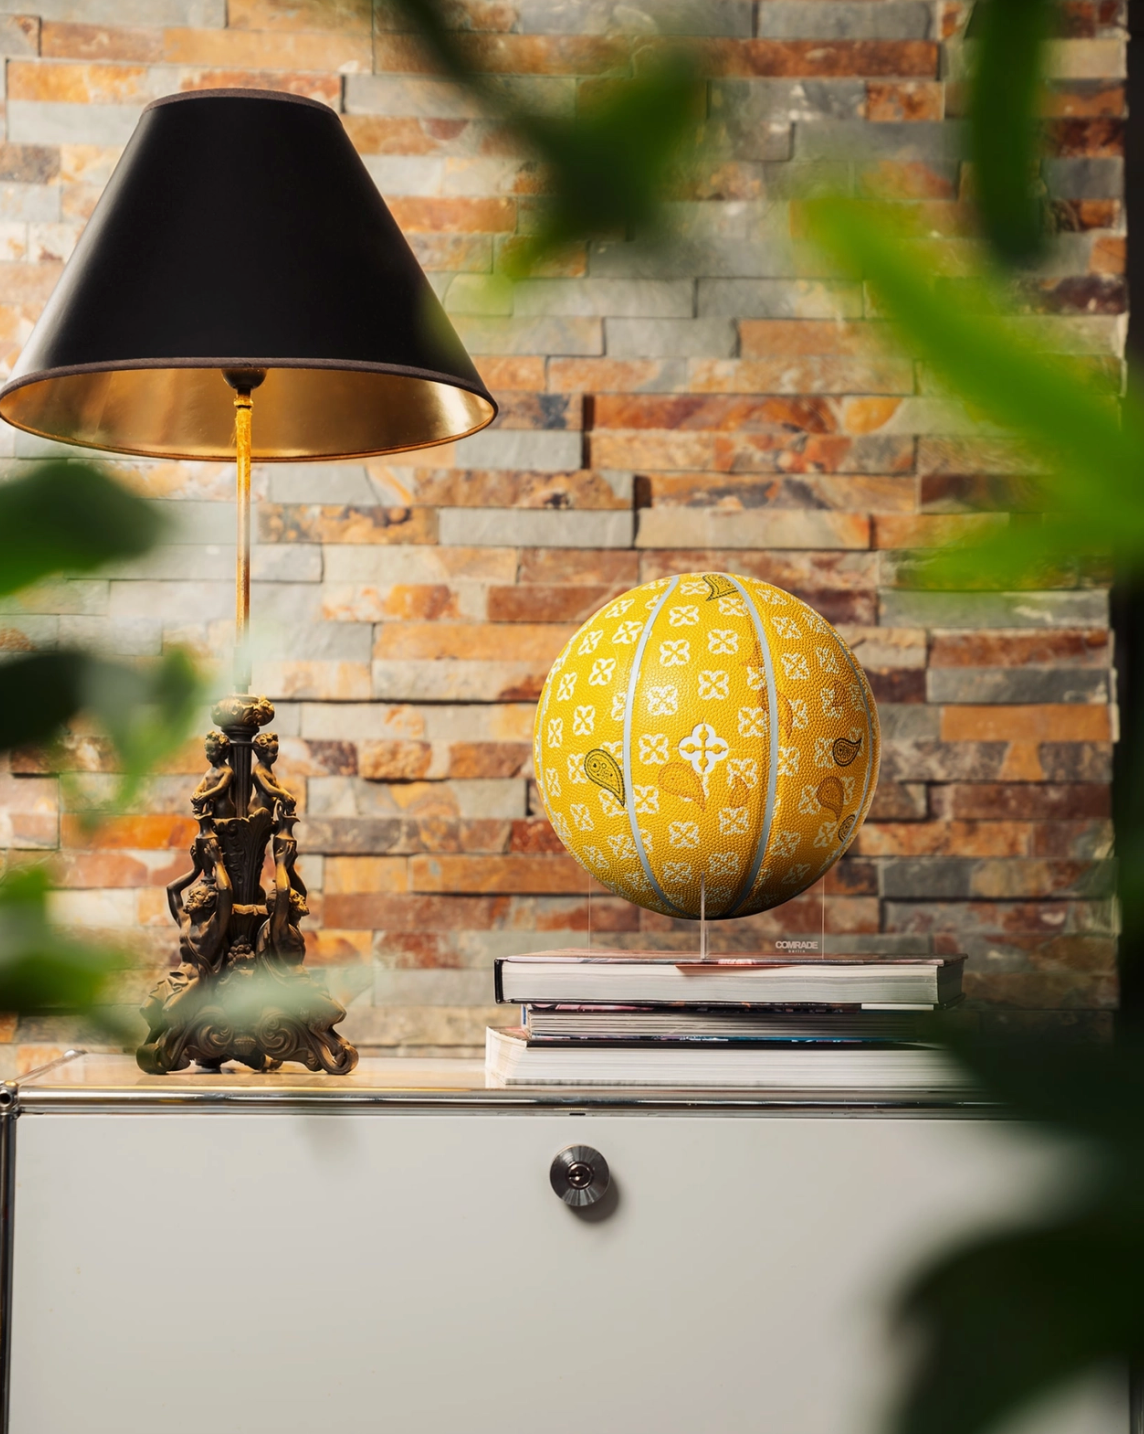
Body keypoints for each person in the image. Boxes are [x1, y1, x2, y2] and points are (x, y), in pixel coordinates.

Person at [190, 730, 235, 819]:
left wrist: (205, 795)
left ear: (222, 752)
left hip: (223, 808)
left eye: (212, 750)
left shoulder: (227, 771)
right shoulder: (209, 771)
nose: (208, 753)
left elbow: (221, 788)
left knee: (222, 827)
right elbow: (201, 786)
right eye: (207, 750)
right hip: (210, 806)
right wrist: (196, 794)